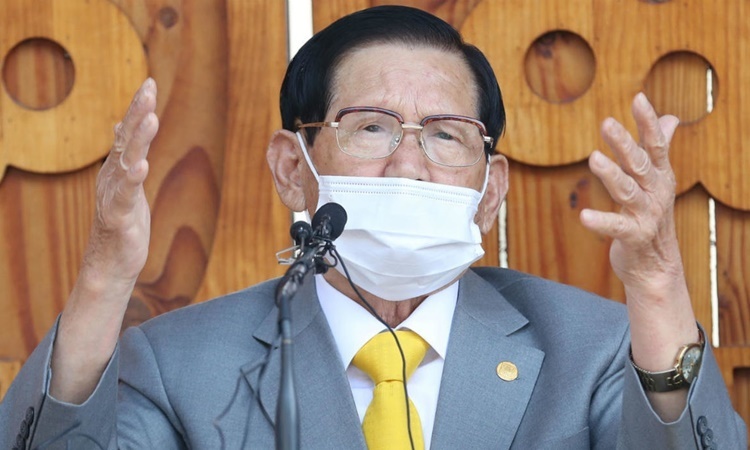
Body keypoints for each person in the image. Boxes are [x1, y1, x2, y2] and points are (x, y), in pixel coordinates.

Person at [1, 5, 746, 449]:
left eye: (447, 134)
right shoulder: (182, 366)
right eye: (371, 126)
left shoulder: (596, 349)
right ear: (292, 168)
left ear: (491, 190)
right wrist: (103, 279)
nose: (409, 164)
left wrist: (659, 289)